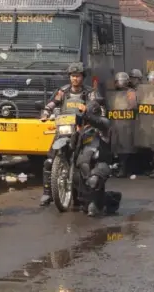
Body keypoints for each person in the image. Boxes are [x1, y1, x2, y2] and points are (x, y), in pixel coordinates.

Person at [40, 62, 97, 206]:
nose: (75, 79)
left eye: (77, 76)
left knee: (86, 162)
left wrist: (89, 109)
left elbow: (96, 106)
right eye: (72, 76)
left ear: (82, 77)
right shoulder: (63, 91)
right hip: (64, 130)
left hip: (82, 130)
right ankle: (47, 193)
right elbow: (52, 103)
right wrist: (45, 113)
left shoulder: (88, 92)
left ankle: (85, 194)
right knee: (49, 161)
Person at [106, 72, 137, 178]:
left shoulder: (130, 92)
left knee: (125, 147)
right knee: (117, 146)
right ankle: (119, 167)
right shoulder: (114, 93)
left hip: (126, 123)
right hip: (115, 123)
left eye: (117, 81)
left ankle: (124, 170)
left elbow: (133, 105)